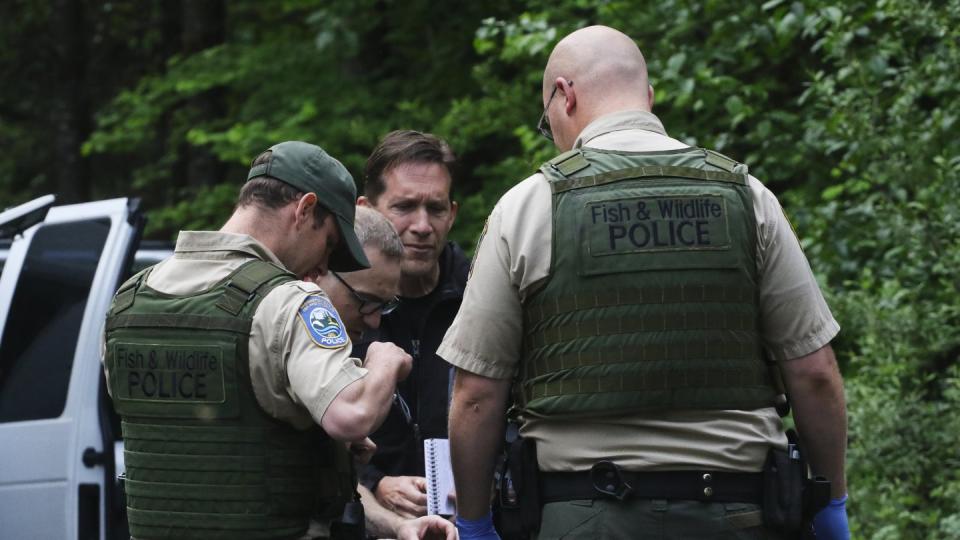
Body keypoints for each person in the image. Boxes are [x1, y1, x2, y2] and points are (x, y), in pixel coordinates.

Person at [440, 26, 850, 540]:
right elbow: (813, 372)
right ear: (648, 97)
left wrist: (475, 522)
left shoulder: (526, 206)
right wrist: (831, 502)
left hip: (581, 513)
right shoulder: (747, 197)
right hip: (737, 512)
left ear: (564, 95)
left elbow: (477, 394)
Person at [101, 141, 454, 540]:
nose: (321, 266)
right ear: (304, 210)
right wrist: (384, 362)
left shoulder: (131, 299)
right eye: (331, 245)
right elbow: (352, 415)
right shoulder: (288, 301)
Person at [354, 130, 471, 519]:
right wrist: (373, 482)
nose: (422, 226)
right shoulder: (339, 306)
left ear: (451, 214)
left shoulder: (484, 297)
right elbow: (314, 430)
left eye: (435, 209)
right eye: (404, 206)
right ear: (367, 210)